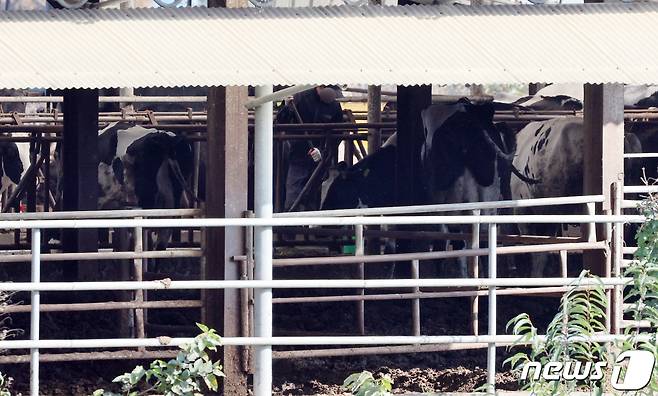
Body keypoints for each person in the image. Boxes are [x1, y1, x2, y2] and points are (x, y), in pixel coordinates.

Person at [276, 85, 344, 211]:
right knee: (293, 196)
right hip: (298, 155)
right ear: (320, 86)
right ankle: (289, 227)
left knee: (314, 197)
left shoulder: (334, 106)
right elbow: (281, 122)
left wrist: (323, 152)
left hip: (319, 159)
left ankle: (311, 229)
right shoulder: (299, 97)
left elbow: (337, 133)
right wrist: (287, 108)